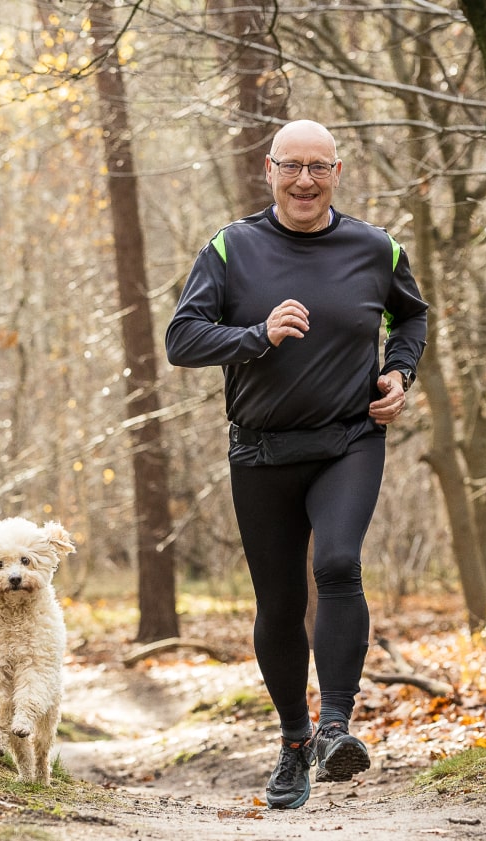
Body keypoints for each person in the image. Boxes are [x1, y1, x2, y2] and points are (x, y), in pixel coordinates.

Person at [165, 119, 428, 809]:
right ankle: (293, 743)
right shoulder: (231, 247)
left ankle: (337, 727)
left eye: (318, 166)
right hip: (260, 449)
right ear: (268, 168)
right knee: (279, 601)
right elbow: (182, 338)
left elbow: (411, 317)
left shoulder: (375, 247)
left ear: (337, 170)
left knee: (337, 562)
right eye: (291, 166)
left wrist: (399, 373)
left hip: (347, 439)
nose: (304, 180)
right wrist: (255, 335)